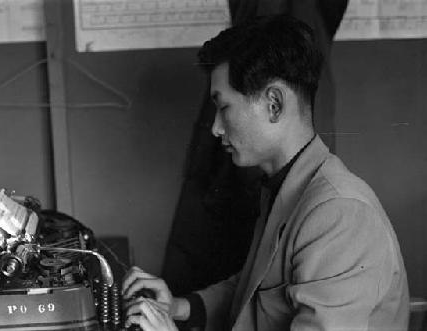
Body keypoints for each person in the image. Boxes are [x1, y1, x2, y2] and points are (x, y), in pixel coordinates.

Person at [122, 15, 409, 331]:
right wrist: (181, 307)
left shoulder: (339, 214)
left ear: (274, 103)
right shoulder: (285, 186)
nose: (216, 128)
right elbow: (257, 290)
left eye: (224, 107)